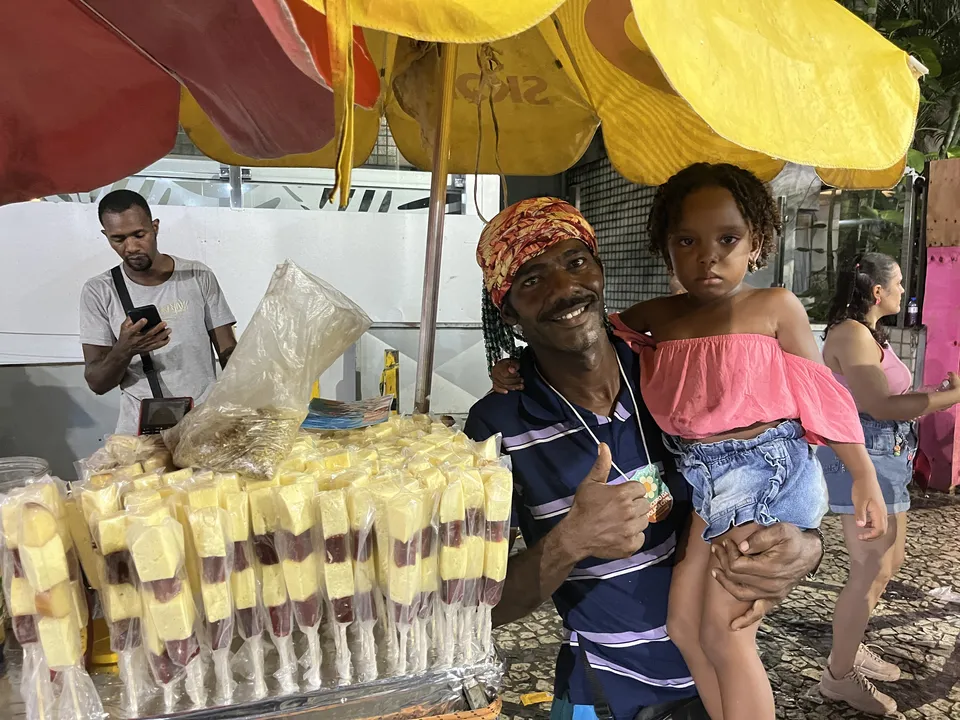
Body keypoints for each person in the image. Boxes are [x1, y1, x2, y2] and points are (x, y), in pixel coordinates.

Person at [490, 168, 889, 720]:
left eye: (576, 262)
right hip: (604, 685)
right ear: (506, 309)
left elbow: (804, 414)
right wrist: (571, 540)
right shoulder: (501, 423)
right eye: (531, 279)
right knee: (691, 624)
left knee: (723, 631)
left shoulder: (681, 358)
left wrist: (809, 543)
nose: (564, 288)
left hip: (752, 507)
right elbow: (473, 604)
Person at [817, 252, 960, 715]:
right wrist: (950, 397)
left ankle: (850, 644)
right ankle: (838, 676)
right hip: (865, 456)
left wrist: (935, 393)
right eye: (898, 283)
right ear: (877, 292)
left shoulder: (868, 334)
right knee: (869, 568)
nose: (905, 291)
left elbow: (889, 397)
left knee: (889, 560)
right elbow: (880, 406)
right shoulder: (850, 335)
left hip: (890, 455)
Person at [79, 190, 237, 434]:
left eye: (139, 235)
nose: (131, 247)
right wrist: (125, 348)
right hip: (140, 433)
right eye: (118, 239)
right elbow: (97, 383)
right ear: (106, 236)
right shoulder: (99, 291)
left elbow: (228, 353)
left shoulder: (197, 276)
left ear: (155, 227)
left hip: (202, 424)